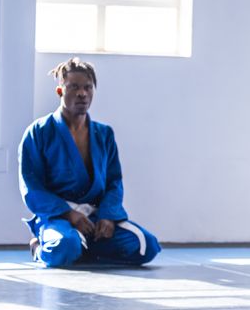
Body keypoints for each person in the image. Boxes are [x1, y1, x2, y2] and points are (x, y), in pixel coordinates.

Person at [18, 58, 160, 268]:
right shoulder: (38, 132)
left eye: (87, 87)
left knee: (145, 246)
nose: (82, 93)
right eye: (73, 87)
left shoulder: (104, 134)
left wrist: (108, 216)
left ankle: (83, 247)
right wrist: (70, 215)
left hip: (94, 217)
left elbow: (114, 182)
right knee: (63, 247)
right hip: (58, 216)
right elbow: (32, 187)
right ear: (60, 91)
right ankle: (40, 247)